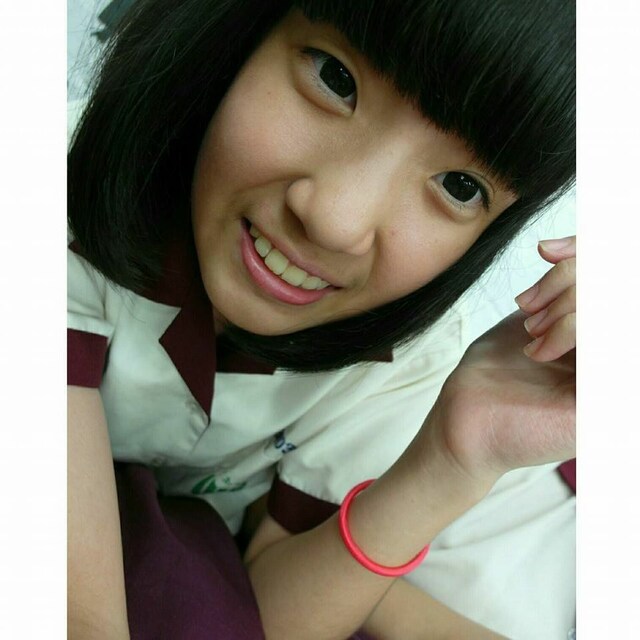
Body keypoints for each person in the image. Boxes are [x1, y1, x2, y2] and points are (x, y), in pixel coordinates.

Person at [67, 1, 576, 639]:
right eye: (336, 80)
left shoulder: (414, 353)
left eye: (459, 186)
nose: (335, 220)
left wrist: (455, 459)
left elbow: (269, 613)